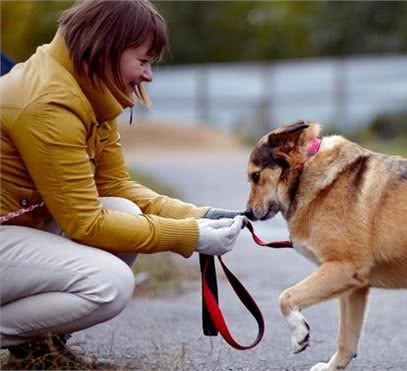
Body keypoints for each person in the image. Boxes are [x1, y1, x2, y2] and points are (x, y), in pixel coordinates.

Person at [0, 0, 245, 365]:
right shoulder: (48, 103)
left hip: (15, 229)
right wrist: (191, 236)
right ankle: (30, 340)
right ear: (107, 50)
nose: (148, 76)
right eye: (143, 61)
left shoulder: (88, 89)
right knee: (108, 284)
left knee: (124, 211)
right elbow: (86, 223)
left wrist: (199, 215)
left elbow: (115, 188)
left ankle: (38, 347)